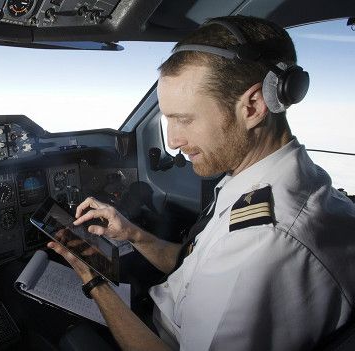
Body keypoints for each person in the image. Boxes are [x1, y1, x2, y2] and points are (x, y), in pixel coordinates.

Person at [48, 15, 355, 350]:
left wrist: (93, 282)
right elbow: (193, 266)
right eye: (168, 120)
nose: (175, 140)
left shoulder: (262, 243)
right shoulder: (274, 181)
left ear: (253, 106)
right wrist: (131, 233)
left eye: (184, 119)